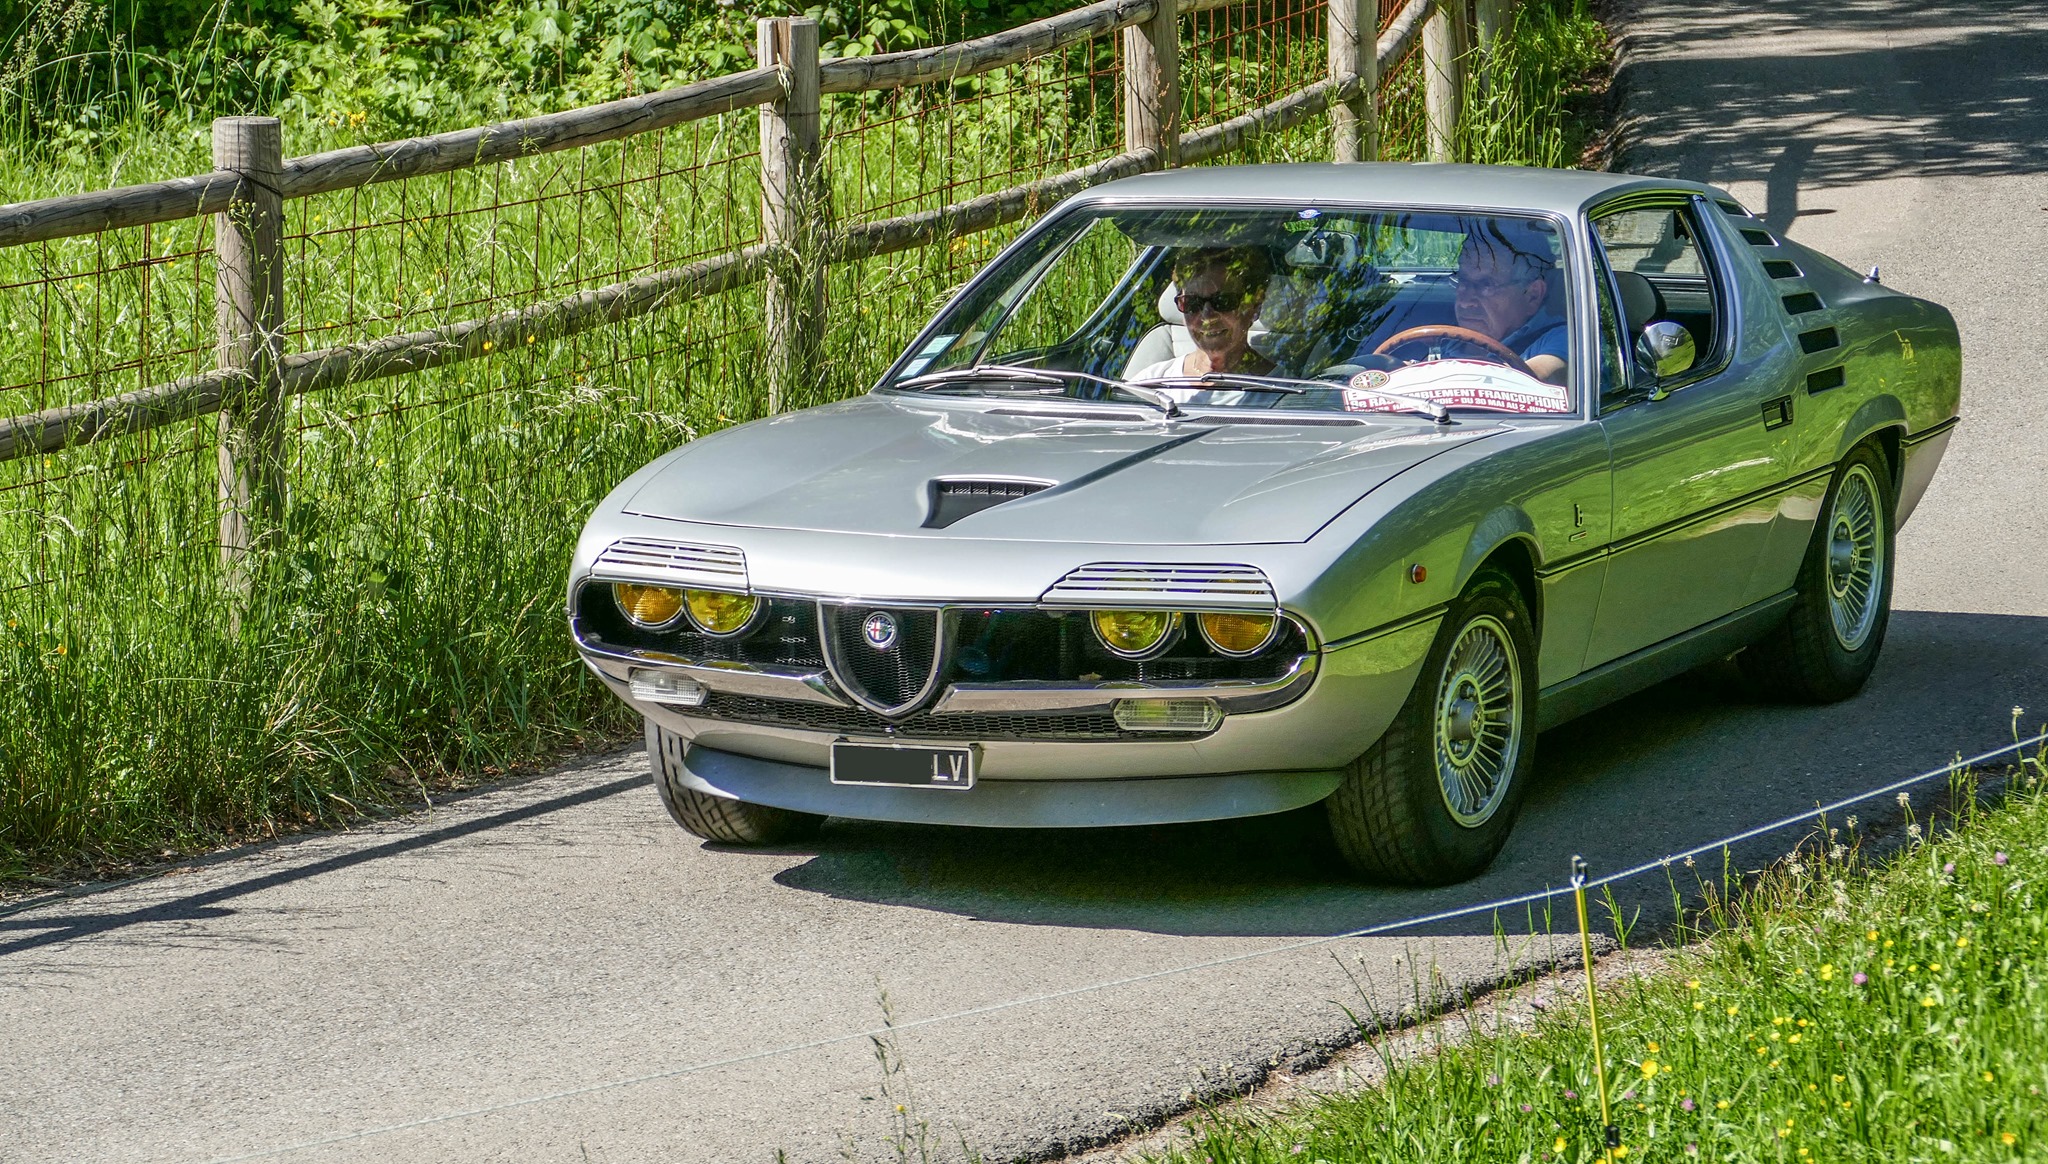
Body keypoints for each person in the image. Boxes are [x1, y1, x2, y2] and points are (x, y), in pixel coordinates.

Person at [1127, 246, 1275, 383]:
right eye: (1192, 303)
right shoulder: (1150, 382)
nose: (1207, 316)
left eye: (1223, 301)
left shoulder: (1282, 391)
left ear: (1254, 306)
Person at [1446, 222, 1568, 384]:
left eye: (1486, 285)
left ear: (1532, 295)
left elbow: (1534, 379)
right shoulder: (1443, 336)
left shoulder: (1563, 339)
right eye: (1463, 281)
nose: (1465, 302)